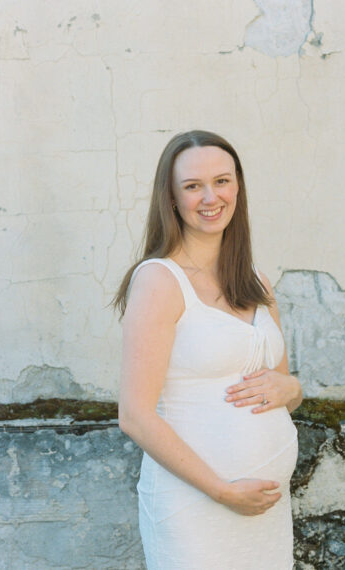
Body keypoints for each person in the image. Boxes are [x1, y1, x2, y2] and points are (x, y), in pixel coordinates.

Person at [115, 130, 301, 568]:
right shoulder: (159, 281)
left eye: (222, 181)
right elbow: (134, 416)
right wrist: (222, 490)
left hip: (265, 511)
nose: (210, 197)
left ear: (238, 186)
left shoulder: (255, 280)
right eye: (192, 186)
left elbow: (287, 387)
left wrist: (290, 388)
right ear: (172, 198)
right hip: (195, 506)